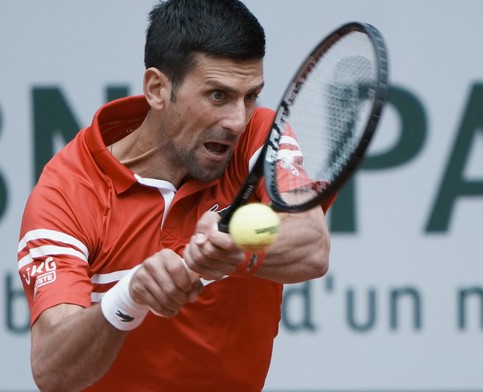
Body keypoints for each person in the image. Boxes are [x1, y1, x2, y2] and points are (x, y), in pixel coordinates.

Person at [17, 0, 332, 391]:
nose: (237, 120)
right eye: (218, 95)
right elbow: (52, 370)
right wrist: (126, 299)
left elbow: (313, 244)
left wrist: (238, 248)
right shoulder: (67, 191)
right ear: (157, 89)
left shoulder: (259, 136)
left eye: (250, 96)